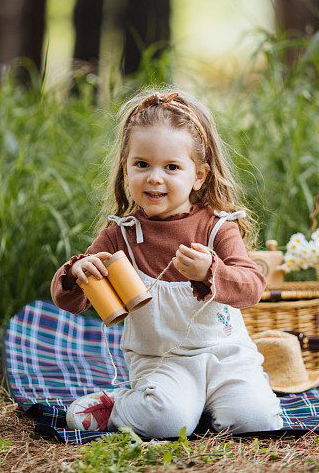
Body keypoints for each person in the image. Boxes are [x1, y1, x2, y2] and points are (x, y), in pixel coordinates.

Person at [50, 89, 283, 438]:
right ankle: (117, 405)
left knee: (255, 419)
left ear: (199, 175)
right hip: (163, 362)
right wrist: (76, 274)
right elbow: (71, 301)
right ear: (125, 171)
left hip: (227, 356)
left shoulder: (217, 226)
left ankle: (207, 404)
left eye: (172, 167)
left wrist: (210, 272)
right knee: (166, 422)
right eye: (142, 164)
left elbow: (252, 288)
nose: (155, 177)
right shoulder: (122, 236)